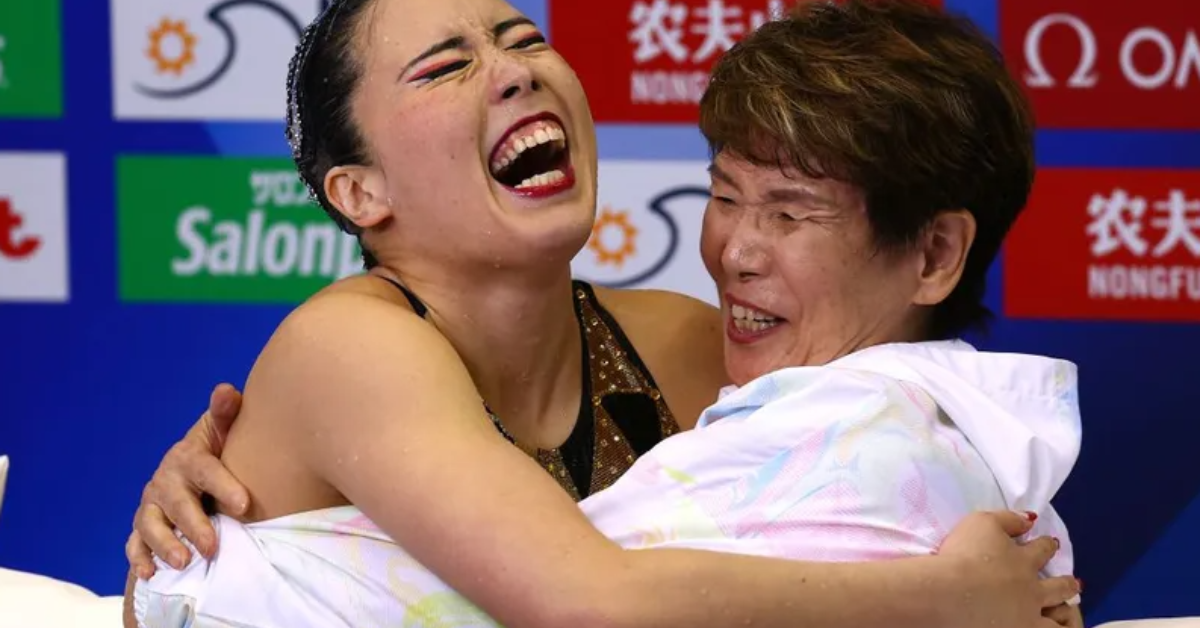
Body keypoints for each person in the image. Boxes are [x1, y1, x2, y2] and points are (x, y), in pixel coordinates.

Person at [123, 0, 1081, 627]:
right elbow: (591, 608)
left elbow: (880, 493)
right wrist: (941, 600)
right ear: (360, 192)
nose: (513, 70)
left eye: (523, 38)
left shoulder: (691, 345)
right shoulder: (349, 344)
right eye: (445, 66)